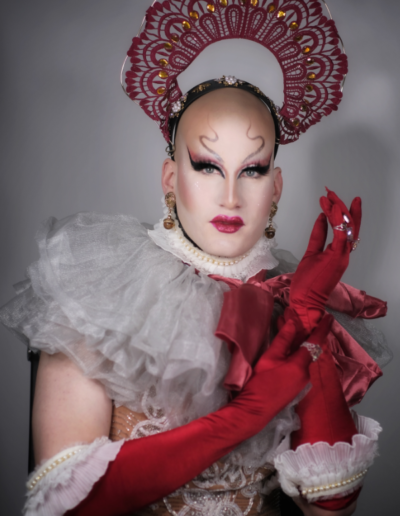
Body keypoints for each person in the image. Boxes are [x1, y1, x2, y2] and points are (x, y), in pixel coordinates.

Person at [0, 1, 390, 515]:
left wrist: (309, 322)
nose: (230, 195)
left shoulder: (292, 305)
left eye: (252, 171)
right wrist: (244, 416)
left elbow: (332, 509)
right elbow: (61, 504)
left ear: (276, 187)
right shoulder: (99, 292)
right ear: (170, 179)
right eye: (207, 166)